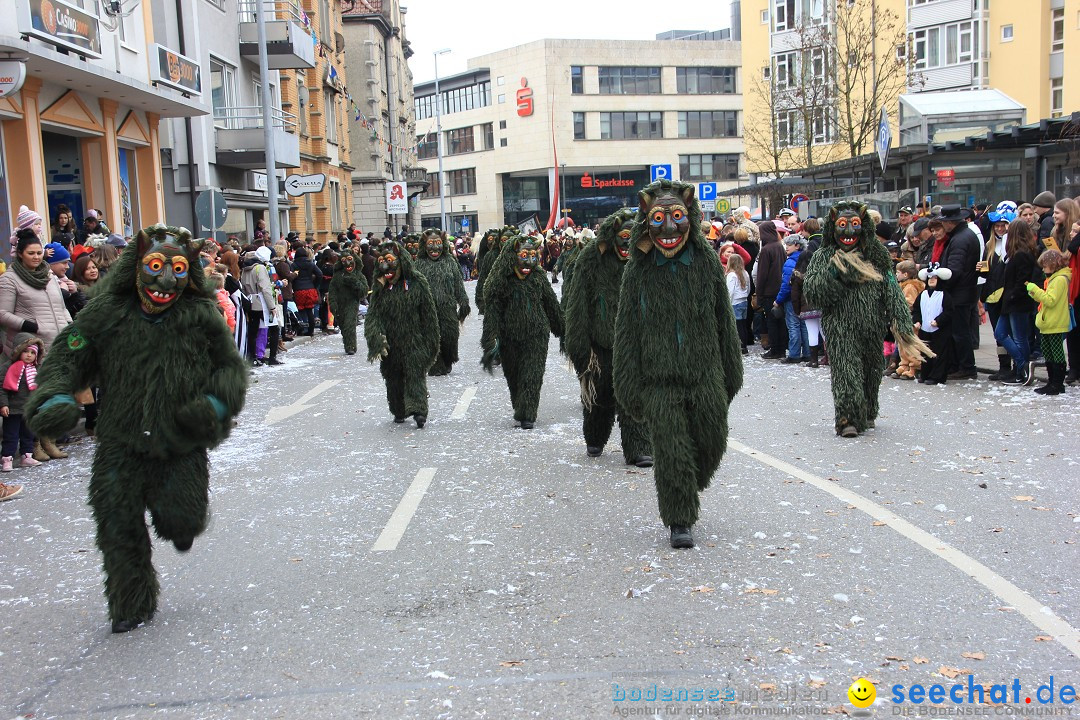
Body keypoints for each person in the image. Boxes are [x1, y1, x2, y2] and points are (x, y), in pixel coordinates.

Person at [26, 224, 248, 633]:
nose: (166, 280)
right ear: (137, 266)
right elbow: (69, 356)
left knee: (181, 519)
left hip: (179, 439)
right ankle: (130, 602)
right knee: (116, 519)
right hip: (119, 440)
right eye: (157, 266)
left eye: (178, 269)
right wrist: (56, 396)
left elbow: (229, 367)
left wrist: (214, 404)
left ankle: (183, 527)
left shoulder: (200, 316)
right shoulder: (105, 313)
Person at [612, 180, 742, 549]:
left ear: (690, 216)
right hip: (659, 381)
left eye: (677, 217)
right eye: (658, 218)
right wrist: (628, 385)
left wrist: (731, 374)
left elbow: (724, 322)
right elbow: (626, 330)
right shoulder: (637, 271)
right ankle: (679, 518)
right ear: (645, 222)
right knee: (670, 452)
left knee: (712, 443)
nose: (669, 229)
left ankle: (686, 484)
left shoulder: (705, 264)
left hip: (705, 376)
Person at [481, 234, 564, 430]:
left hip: (537, 334)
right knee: (514, 375)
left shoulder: (538, 278)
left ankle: (528, 413)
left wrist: (563, 331)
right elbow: (492, 312)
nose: (528, 261)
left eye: (533, 256)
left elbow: (551, 305)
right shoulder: (500, 280)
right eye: (524, 255)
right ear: (512, 256)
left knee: (532, 374)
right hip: (508, 337)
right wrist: (490, 340)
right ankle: (521, 405)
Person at [365, 240, 439, 428]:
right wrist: (376, 338)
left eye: (389, 260)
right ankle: (398, 409)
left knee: (415, 375)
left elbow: (428, 316)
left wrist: (430, 343)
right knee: (393, 377)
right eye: (382, 261)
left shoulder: (417, 283)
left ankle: (419, 410)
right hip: (391, 343)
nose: (385, 266)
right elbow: (373, 316)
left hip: (414, 340)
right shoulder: (380, 288)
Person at [935, 205, 981, 380]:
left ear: (950, 223)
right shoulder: (962, 235)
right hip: (964, 291)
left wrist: (941, 282)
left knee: (959, 332)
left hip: (960, 292)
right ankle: (960, 365)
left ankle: (966, 366)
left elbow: (954, 270)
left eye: (944, 221)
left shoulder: (960, 239)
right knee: (959, 331)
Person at [995, 219, 1040, 385]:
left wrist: (1013, 296)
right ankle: (1022, 365)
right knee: (1000, 333)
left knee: (1020, 337)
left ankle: (1022, 368)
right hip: (1010, 302)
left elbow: (1022, 281)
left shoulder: (1022, 254)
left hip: (1017, 303)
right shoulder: (1017, 253)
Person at [1025, 250, 1072, 395]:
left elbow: (1050, 300)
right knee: (1048, 353)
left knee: (1056, 353)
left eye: (1045, 265)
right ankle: (1052, 382)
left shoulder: (1059, 280)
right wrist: (1034, 293)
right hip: (1048, 322)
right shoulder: (1054, 278)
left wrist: (1035, 289)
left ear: (1052, 264)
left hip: (1055, 322)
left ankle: (1057, 384)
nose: (1043, 269)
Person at [1, 333, 45, 472]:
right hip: (13, 409)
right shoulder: (7, 368)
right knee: (11, 435)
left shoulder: (36, 369)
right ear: (18, 351)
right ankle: (7, 458)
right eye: (25, 351)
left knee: (28, 434)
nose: (29, 355)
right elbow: (1, 388)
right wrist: (3, 404)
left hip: (29, 408)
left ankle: (27, 456)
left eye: (33, 352)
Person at [913, 267, 954, 385]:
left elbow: (949, 311)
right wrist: (917, 321)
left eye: (935, 278)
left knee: (939, 353)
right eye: (930, 278)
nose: (931, 280)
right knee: (925, 351)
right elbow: (917, 310)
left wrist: (938, 321)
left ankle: (937, 376)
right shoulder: (923, 294)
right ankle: (925, 374)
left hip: (940, 330)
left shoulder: (944, 295)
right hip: (925, 328)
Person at [774, 234, 808, 363]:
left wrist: (778, 300)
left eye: (789, 245)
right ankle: (807, 353)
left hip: (791, 299)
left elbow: (786, 285)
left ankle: (794, 354)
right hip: (804, 299)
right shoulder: (805, 259)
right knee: (804, 325)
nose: (786, 247)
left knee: (793, 325)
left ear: (797, 246)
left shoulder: (790, 262)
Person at [756, 220, 787, 358]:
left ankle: (775, 349)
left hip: (769, 291)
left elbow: (762, 275)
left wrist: (759, 293)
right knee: (780, 321)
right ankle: (781, 348)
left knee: (771, 322)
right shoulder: (779, 246)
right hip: (779, 289)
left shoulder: (766, 250)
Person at [892, 261, 925, 380]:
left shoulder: (910, 287)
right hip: (903, 318)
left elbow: (911, 302)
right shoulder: (904, 286)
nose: (896, 274)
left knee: (910, 344)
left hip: (909, 318)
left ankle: (914, 367)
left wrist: (897, 303)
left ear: (905, 274)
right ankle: (904, 365)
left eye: (898, 272)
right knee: (902, 345)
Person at [291, 247, 322, 336]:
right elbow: (319, 274)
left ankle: (303, 328)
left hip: (298, 289)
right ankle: (311, 330)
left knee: (301, 310)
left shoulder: (294, 265)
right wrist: (315, 285)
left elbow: (291, 275)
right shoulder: (311, 264)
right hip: (310, 289)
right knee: (309, 309)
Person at [726, 252, 751, 354]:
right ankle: (744, 345)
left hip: (735, 302)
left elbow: (730, 291)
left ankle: (739, 345)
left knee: (737, 325)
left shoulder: (731, 275)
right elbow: (748, 288)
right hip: (744, 301)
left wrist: (728, 302)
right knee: (743, 324)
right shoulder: (745, 273)